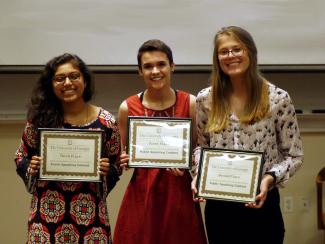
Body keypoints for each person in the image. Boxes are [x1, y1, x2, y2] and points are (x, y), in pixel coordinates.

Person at [192, 26, 303, 244]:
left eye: (237, 49)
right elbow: (200, 148)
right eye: (224, 51)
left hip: (262, 204)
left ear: (250, 53)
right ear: (217, 58)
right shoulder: (205, 99)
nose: (231, 56)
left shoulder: (278, 98)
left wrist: (269, 179)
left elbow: (294, 156)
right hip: (219, 209)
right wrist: (198, 174)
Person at [14, 53, 121, 243]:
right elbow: (21, 156)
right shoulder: (39, 120)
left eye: (74, 76)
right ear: (51, 84)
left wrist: (106, 171)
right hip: (46, 217)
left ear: (85, 81)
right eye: (59, 78)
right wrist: (32, 167)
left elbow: (116, 165)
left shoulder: (106, 122)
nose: (68, 83)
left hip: (91, 218)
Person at [113, 39, 207, 244]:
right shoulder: (127, 107)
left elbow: (198, 150)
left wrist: (187, 164)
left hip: (178, 192)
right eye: (148, 66)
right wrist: (125, 159)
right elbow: (124, 157)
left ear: (172, 66)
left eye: (161, 64)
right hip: (142, 195)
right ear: (140, 71)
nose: (155, 71)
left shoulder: (190, 102)